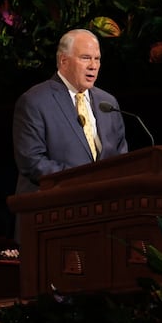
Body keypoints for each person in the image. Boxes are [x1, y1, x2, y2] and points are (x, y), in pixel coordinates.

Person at [12, 28, 128, 197]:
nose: (93, 66)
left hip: (104, 205)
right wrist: (84, 180)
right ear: (63, 61)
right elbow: (32, 162)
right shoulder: (34, 102)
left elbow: (121, 157)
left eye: (97, 59)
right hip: (52, 207)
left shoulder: (108, 102)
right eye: (85, 58)